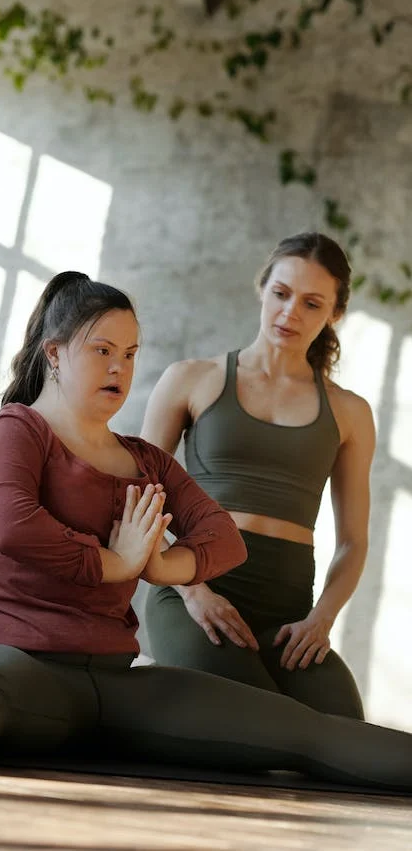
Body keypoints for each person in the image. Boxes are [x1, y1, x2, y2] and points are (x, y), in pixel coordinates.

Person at [0, 271, 412, 792]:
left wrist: (159, 565)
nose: (119, 369)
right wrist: (116, 564)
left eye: (130, 355)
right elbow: (15, 529)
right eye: (102, 351)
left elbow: (223, 537)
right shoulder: (15, 430)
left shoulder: (144, 460)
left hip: (114, 680)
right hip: (12, 655)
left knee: (301, 730)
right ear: (54, 354)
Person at [142, 232, 373, 720]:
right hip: (195, 594)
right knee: (258, 722)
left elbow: (354, 541)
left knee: (344, 725)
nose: (290, 313)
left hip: (289, 617)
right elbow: (137, 499)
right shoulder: (191, 379)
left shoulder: (350, 412)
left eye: (312, 304)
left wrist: (321, 620)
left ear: (334, 315)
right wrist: (192, 591)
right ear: (262, 289)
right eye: (281, 294)